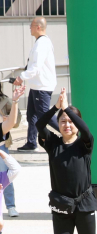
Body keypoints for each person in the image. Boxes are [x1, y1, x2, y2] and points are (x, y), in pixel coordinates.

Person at [40, 89, 97, 234]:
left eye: (70, 121)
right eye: (62, 121)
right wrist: (57, 108)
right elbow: (39, 124)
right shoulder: (53, 143)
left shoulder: (85, 144)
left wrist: (67, 109)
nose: (67, 124)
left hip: (85, 203)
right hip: (61, 205)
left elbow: (86, 130)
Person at [14, 16, 55, 152]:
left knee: (45, 116)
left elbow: (35, 67)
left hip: (42, 87)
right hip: (37, 86)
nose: (29, 28)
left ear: (38, 27)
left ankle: (69, 131)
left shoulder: (42, 44)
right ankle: (31, 142)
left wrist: (21, 77)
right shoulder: (41, 42)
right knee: (31, 115)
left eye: (31, 25)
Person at [1, 80, 21, 218]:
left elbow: (16, 120)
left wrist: (7, 119)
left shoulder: (5, 100)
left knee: (5, 175)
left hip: (2, 144)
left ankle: (11, 206)